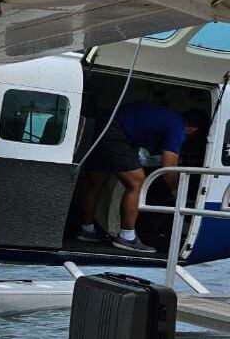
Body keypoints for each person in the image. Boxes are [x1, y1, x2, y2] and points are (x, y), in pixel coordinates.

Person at [78, 102, 208, 253]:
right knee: (137, 183)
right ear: (192, 129)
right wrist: (175, 189)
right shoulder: (178, 128)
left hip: (103, 124)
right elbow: (169, 167)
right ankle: (127, 237)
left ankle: (87, 229)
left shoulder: (168, 116)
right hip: (116, 133)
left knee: (95, 184)